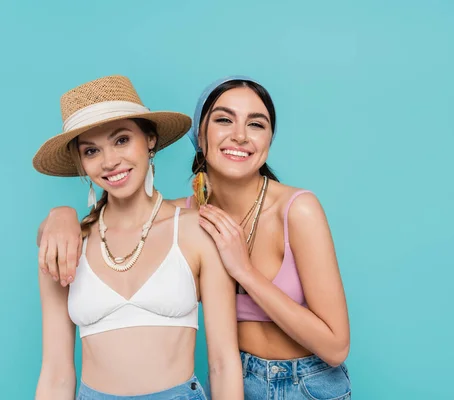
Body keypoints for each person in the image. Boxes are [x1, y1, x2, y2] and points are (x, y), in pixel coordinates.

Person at [38, 76, 351, 399]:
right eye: (224, 120)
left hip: (304, 382)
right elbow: (134, 215)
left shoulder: (297, 210)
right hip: (237, 379)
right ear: (199, 136)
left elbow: (336, 347)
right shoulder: (190, 216)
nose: (240, 136)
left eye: (256, 124)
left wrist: (243, 271)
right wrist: (60, 216)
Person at [33, 75, 243, 400]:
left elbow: (223, 363)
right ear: (81, 163)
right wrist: (59, 214)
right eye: (91, 150)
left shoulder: (195, 231)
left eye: (121, 140)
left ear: (150, 139)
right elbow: (56, 375)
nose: (110, 161)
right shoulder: (65, 244)